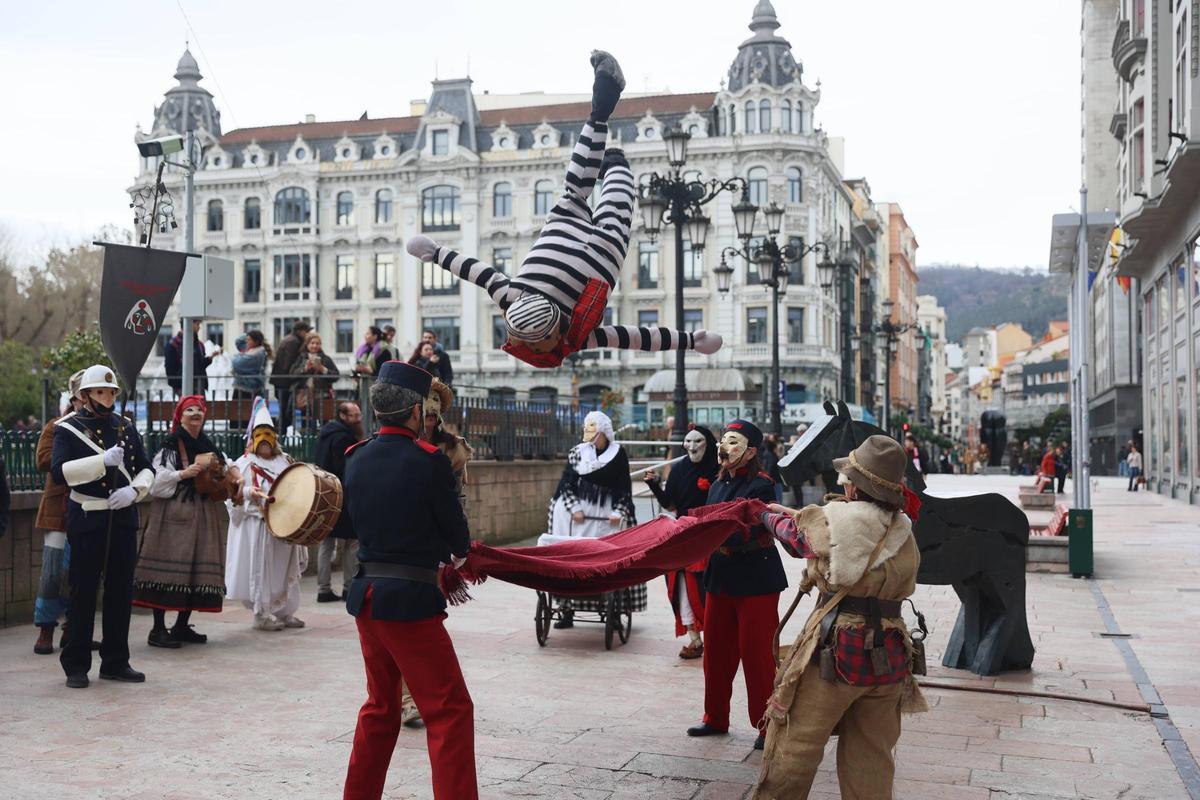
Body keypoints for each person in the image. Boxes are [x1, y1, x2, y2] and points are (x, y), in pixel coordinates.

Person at [407, 51, 723, 368]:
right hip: (597, 245)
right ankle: (613, 157)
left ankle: (605, 127)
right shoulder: (569, 329)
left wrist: (437, 254)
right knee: (591, 195)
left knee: (605, 204)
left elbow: (480, 273)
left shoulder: (522, 304)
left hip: (583, 238)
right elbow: (636, 336)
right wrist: (690, 341)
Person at [751, 435, 926, 799]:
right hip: (890, 655)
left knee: (795, 745)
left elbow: (797, 538)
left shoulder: (837, 519)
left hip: (837, 652)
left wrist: (765, 516)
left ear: (855, 486)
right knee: (872, 757)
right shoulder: (903, 529)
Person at [341, 361, 477, 800]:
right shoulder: (430, 462)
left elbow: (355, 523)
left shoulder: (356, 457)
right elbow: (458, 538)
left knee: (380, 709)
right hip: (410, 602)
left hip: (367, 598)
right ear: (416, 412)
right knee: (450, 710)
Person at [51, 364, 154, 688]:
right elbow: (59, 472)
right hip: (89, 518)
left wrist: (133, 491)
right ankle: (76, 664)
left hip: (122, 516)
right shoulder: (67, 428)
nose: (107, 397)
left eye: (110, 392)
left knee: (120, 592)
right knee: (83, 593)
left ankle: (115, 661)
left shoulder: (125, 426)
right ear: (85, 395)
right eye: (100, 392)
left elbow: (147, 468)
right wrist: (101, 462)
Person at [687, 419, 784, 751]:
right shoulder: (716, 484)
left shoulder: (762, 485)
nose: (724, 448)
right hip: (721, 574)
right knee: (716, 652)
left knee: (758, 657)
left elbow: (751, 525)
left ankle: (765, 725)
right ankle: (715, 717)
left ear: (751, 451)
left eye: (733, 442)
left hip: (755, 576)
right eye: (723, 441)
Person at [132, 395, 240, 647]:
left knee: (194, 570)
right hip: (172, 513)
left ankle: (181, 626)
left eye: (199, 410)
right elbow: (154, 480)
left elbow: (226, 465)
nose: (195, 413)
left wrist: (234, 476)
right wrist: (183, 473)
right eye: (189, 410)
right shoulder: (171, 443)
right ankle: (157, 629)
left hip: (201, 513)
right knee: (167, 569)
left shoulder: (207, 443)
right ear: (180, 416)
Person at [542, 410, 638, 629]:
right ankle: (566, 609)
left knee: (605, 557)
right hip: (578, 515)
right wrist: (574, 507)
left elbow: (624, 487)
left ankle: (614, 611)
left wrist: (619, 511)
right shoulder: (577, 452)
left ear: (605, 432)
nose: (593, 439)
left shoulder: (617, 454)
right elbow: (567, 483)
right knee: (570, 556)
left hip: (605, 513)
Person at [225, 399, 307, 631]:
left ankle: (285, 612)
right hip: (258, 525)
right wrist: (251, 492)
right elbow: (232, 492)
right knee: (262, 571)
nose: (265, 440)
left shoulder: (285, 460)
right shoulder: (243, 463)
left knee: (287, 570)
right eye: (260, 434)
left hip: (285, 526)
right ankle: (261, 615)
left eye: (269, 434)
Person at [644, 424, 718, 659]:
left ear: (708, 444)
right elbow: (671, 505)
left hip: (710, 535)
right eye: (688, 441)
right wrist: (654, 485)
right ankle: (694, 638)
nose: (693, 446)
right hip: (683, 536)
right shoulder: (677, 470)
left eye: (698, 442)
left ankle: (717, 637)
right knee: (682, 585)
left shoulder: (718, 470)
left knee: (710, 586)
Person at [33, 371, 87, 655]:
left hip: (89, 507)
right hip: (59, 508)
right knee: (52, 571)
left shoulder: (100, 426)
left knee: (81, 572)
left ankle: (75, 630)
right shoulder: (57, 426)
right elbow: (43, 459)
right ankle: (46, 628)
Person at [315, 402, 364, 603]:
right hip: (342, 495)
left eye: (359, 414)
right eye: (354, 415)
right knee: (352, 542)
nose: (358, 418)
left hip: (324, 494)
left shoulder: (325, 434)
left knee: (326, 543)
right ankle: (349, 587)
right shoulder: (344, 438)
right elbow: (346, 469)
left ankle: (323, 589)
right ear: (343, 416)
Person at [288, 331, 340, 430]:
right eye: (312, 343)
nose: (315, 346)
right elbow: (292, 375)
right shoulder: (301, 358)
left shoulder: (326, 359)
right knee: (306, 422)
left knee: (324, 421)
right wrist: (304, 369)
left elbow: (336, 375)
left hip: (322, 395)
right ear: (307, 345)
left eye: (317, 343)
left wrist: (323, 369)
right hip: (304, 397)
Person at [270, 319, 313, 431]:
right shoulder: (293, 342)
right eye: (306, 331)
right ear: (300, 331)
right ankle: (281, 436)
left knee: (285, 412)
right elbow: (289, 364)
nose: (308, 334)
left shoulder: (289, 339)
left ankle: (282, 434)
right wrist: (296, 374)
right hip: (284, 383)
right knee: (285, 413)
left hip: (281, 381)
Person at [164, 320, 212, 396]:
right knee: (188, 406)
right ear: (189, 323)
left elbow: (199, 366)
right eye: (197, 324)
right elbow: (170, 369)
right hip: (182, 386)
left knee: (199, 407)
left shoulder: (199, 344)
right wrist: (177, 385)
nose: (199, 327)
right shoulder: (173, 344)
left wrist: (209, 359)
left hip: (199, 385)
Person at [232, 330, 271, 400]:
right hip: (242, 387)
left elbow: (236, 364)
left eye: (249, 340)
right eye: (246, 339)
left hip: (249, 389)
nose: (247, 341)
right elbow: (238, 341)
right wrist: (249, 333)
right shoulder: (250, 349)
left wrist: (238, 355)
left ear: (256, 342)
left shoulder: (257, 354)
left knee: (244, 409)